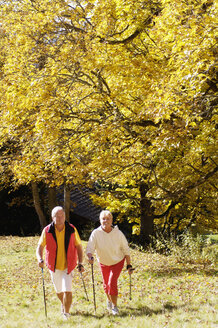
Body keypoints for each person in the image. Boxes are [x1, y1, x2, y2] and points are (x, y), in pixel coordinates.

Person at [36, 206, 84, 320]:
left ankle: (66, 313)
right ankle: (63, 303)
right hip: (54, 266)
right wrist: (39, 259)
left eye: (62, 215)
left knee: (67, 289)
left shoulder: (72, 229)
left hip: (69, 265)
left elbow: (79, 246)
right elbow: (40, 247)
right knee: (59, 291)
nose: (60, 218)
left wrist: (80, 262)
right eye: (57, 216)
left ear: (65, 216)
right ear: (52, 218)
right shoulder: (47, 230)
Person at [86, 210, 134, 315]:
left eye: (108, 219)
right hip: (103, 262)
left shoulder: (118, 233)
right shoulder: (96, 233)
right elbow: (89, 248)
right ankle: (109, 300)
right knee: (105, 285)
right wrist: (90, 256)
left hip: (117, 261)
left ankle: (114, 307)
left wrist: (129, 264)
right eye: (103, 219)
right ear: (100, 220)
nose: (105, 221)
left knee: (111, 283)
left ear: (112, 220)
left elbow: (126, 249)